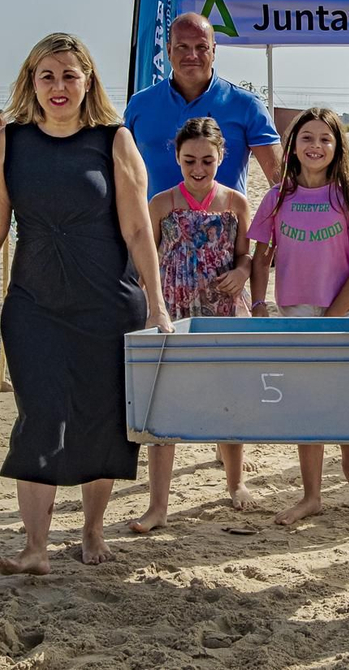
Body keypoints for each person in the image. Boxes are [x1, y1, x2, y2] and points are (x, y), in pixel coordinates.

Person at [0, 32, 170, 573]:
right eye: (47, 75)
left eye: (69, 75)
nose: (58, 86)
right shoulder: (11, 139)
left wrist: (158, 305)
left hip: (107, 304)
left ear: (88, 81)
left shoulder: (113, 139)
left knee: (101, 419)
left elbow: (140, 230)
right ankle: (35, 547)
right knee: (38, 417)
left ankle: (92, 531)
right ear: (31, 81)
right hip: (34, 304)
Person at [248, 107, 349, 526]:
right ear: (292, 146)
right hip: (295, 312)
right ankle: (311, 495)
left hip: (343, 315)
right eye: (306, 137)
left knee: (344, 400)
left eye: (325, 138)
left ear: (337, 146)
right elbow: (260, 257)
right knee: (308, 404)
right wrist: (258, 304)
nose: (316, 146)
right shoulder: (278, 198)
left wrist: (333, 317)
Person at [130, 117, 259, 533]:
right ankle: (158, 506)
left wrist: (241, 273)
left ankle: (235, 482)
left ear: (222, 157)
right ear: (177, 158)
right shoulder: (162, 203)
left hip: (223, 309)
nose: (198, 168)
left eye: (207, 159)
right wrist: (152, 304)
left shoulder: (236, 202)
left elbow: (245, 256)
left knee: (229, 397)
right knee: (165, 401)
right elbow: (144, 256)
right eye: (189, 160)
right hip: (175, 310)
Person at [125, 13, 282, 198]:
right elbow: (121, 175)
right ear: (168, 50)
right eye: (182, 47)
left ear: (214, 51)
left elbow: (280, 181)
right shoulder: (140, 105)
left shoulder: (247, 105)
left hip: (228, 226)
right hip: (153, 226)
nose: (192, 55)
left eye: (201, 47)